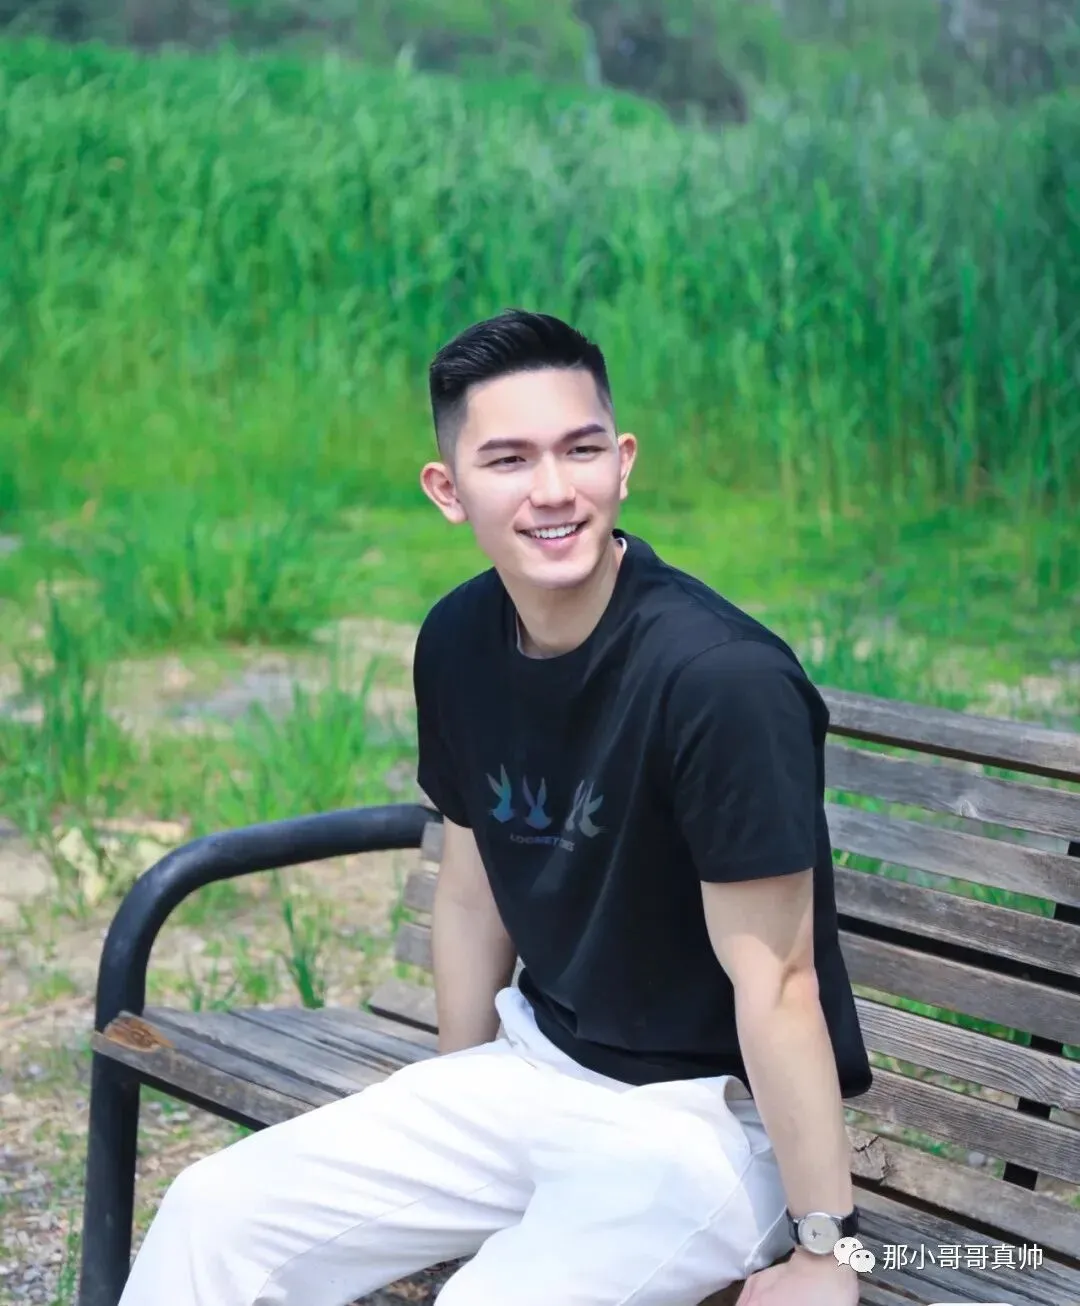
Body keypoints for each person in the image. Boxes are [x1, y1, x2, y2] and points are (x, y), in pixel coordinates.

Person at [117, 310, 872, 1306]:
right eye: (509, 459)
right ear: (449, 489)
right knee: (213, 1212)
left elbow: (777, 980)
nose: (552, 489)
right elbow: (473, 898)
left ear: (623, 464)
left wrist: (827, 1252)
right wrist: (452, 1120)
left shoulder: (720, 681)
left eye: (580, 450)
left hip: (702, 1129)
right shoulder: (460, 639)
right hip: (531, 1069)